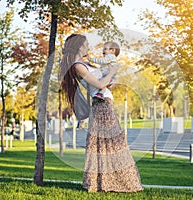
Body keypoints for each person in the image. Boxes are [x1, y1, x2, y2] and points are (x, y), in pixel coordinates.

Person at [60, 34, 143, 193]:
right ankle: (110, 183)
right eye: (86, 45)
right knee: (111, 144)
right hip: (101, 105)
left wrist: (110, 78)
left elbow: (103, 84)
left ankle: (106, 183)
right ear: (78, 46)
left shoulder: (85, 64)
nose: (88, 47)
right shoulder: (78, 66)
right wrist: (112, 71)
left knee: (109, 144)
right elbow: (99, 84)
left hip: (104, 103)